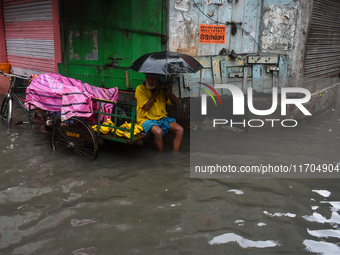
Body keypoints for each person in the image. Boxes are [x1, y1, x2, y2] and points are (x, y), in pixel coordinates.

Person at [135, 73, 184, 152]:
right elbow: (146, 107)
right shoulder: (140, 89)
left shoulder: (161, 90)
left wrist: (168, 90)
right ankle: (160, 156)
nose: (151, 81)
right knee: (158, 132)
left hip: (161, 118)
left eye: (153, 79)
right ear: (145, 78)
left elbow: (176, 102)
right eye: (149, 78)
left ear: (157, 80)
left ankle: (175, 155)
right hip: (145, 119)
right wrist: (156, 92)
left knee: (180, 130)